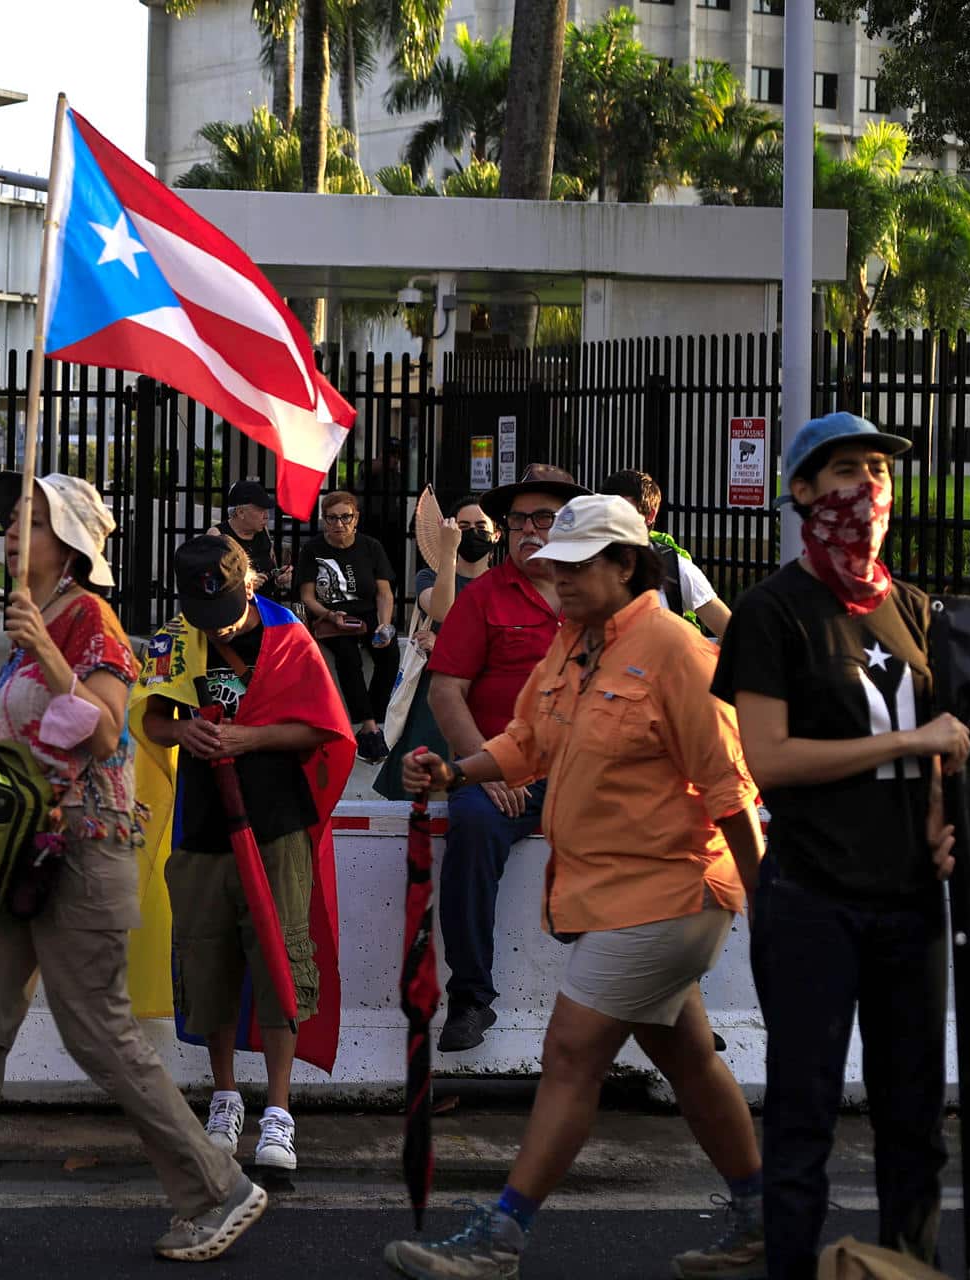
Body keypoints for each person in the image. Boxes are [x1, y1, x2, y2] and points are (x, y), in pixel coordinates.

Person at [0, 473, 267, 1264]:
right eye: (13, 518)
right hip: (17, 859)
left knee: (98, 1033)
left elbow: (105, 730)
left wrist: (47, 653)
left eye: (36, 521)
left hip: (83, 849)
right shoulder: (38, 619)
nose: (15, 531)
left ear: (72, 544)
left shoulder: (91, 622)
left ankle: (218, 1190)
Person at [384, 494, 768, 1280]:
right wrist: (457, 769)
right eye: (552, 564)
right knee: (690, 1060)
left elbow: (733, 795)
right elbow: (528, 741)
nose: (554, 577)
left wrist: (778, 911)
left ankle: (500, 1238)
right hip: (609, 896)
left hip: (671, 893)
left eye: (575, 564)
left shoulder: (679, 652)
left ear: (626, 566)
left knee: (569, 1054)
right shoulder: (572, 645)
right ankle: (768, 1212)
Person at [713, 413, 970, 1279]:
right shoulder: (770, 610)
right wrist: (909, 746)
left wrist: (938, 820)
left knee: (915, 1126)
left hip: (909, 904)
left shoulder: (915, 610)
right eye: (845, 471)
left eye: (878, 471)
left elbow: (942, 744)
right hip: (813, 899)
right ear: (801, 494)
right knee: (803, 1122)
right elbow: (771, 761)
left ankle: (911, 1267)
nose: (867, 489)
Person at [138, 534, 347, 1174]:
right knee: (208, 960)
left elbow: (323, 727)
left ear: (249, 584)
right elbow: (149, 720)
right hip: (202, 827)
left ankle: (279, 1112)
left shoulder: (289, 638)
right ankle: (224, 1096)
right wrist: (185, 731)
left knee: (281, 959)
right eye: (203, 615)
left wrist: (250, 736)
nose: (214, 625)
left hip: (276, 824)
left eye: (225, 609)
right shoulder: (174, 639)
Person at [425, 463, 585, 1053]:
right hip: (496, 769)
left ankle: (678, 999)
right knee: (471, 825)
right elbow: (446, 690)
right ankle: (471, 998)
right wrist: (484, 768)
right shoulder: (483, 597)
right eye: (517, 521)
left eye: (544, 518)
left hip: (583, 775)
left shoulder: (594, 592)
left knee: (658, 826)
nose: (529, 531)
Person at [372, 493, 500, 802]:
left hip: (485, 701)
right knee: (421, 795)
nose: (472, 532)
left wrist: (442, 646)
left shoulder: (502, 585)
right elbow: (443, 610)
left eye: (481, 526)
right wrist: (448, 554)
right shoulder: (430, 576)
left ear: (497, 534)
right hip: (434, 704)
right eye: (464, 526)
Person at [295, 490, 399, 762]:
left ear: (356, 519)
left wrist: (384, 625)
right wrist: (330, 615)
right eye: (331, 518)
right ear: (323, 520)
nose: (338, 524)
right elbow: (307, 596)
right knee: (347, 656)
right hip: (331, 617)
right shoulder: (312, 549)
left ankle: (374, 718)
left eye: (345, 517)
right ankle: (368, 727)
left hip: (367, 615)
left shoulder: (371, 547)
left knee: (388, 654)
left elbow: (384, 593)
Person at [597, 469, 731, 637]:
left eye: (622, 509)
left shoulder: (675, 568)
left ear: (650, 515)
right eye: (605, 510)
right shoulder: (587, 564)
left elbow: (730, 631)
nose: (611, 519)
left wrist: (702, 660)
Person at [207, 478, 291, 599]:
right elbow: (210, 583)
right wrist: (244, 584)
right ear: (241, 512)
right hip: (236, 610)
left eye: (267, 510)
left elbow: (271, 566)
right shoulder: (217, 535)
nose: (267, 516)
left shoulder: (262, 530)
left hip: (264, 606)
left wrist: (279, 578)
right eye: (261, 510)